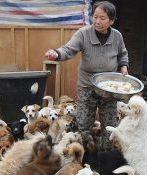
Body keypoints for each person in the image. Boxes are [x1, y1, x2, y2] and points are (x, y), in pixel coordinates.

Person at [45, 1, 128, 151]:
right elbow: (68, 50)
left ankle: (105, 155)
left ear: (111, 20)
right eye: (95, 16)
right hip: (87, 87)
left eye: (102, 18)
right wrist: (56, 53)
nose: (97, 21)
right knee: (83, 123)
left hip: (109, 87)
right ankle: (84, 154)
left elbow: (123, 54)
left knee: (109, 124)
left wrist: (123, 66)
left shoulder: (117, 36)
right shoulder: (83, 34)